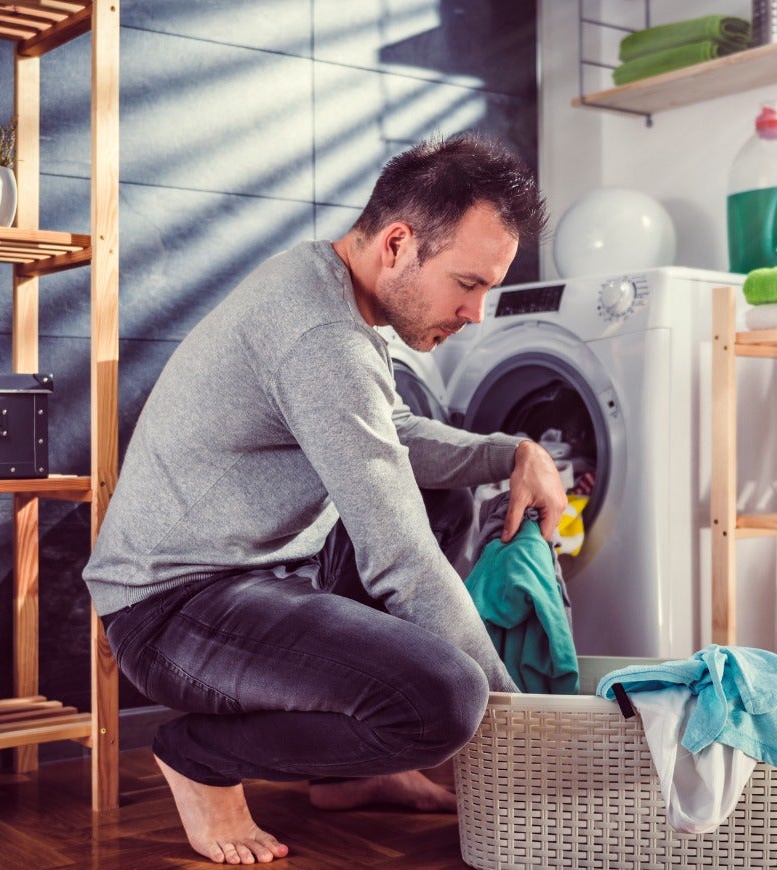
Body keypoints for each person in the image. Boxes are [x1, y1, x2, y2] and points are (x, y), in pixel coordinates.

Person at [82, 132, 567, 865]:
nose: (477, 313)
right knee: (445, 700)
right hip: (172, 609)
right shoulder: (323, 336)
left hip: (257, 576)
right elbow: (399, 556)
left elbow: (389, 433)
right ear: (399, 244)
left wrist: (512, 453)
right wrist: (521, 725)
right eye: (468, 284)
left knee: (449, 501)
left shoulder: (326, 284)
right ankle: (199, 756)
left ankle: (348, 777)